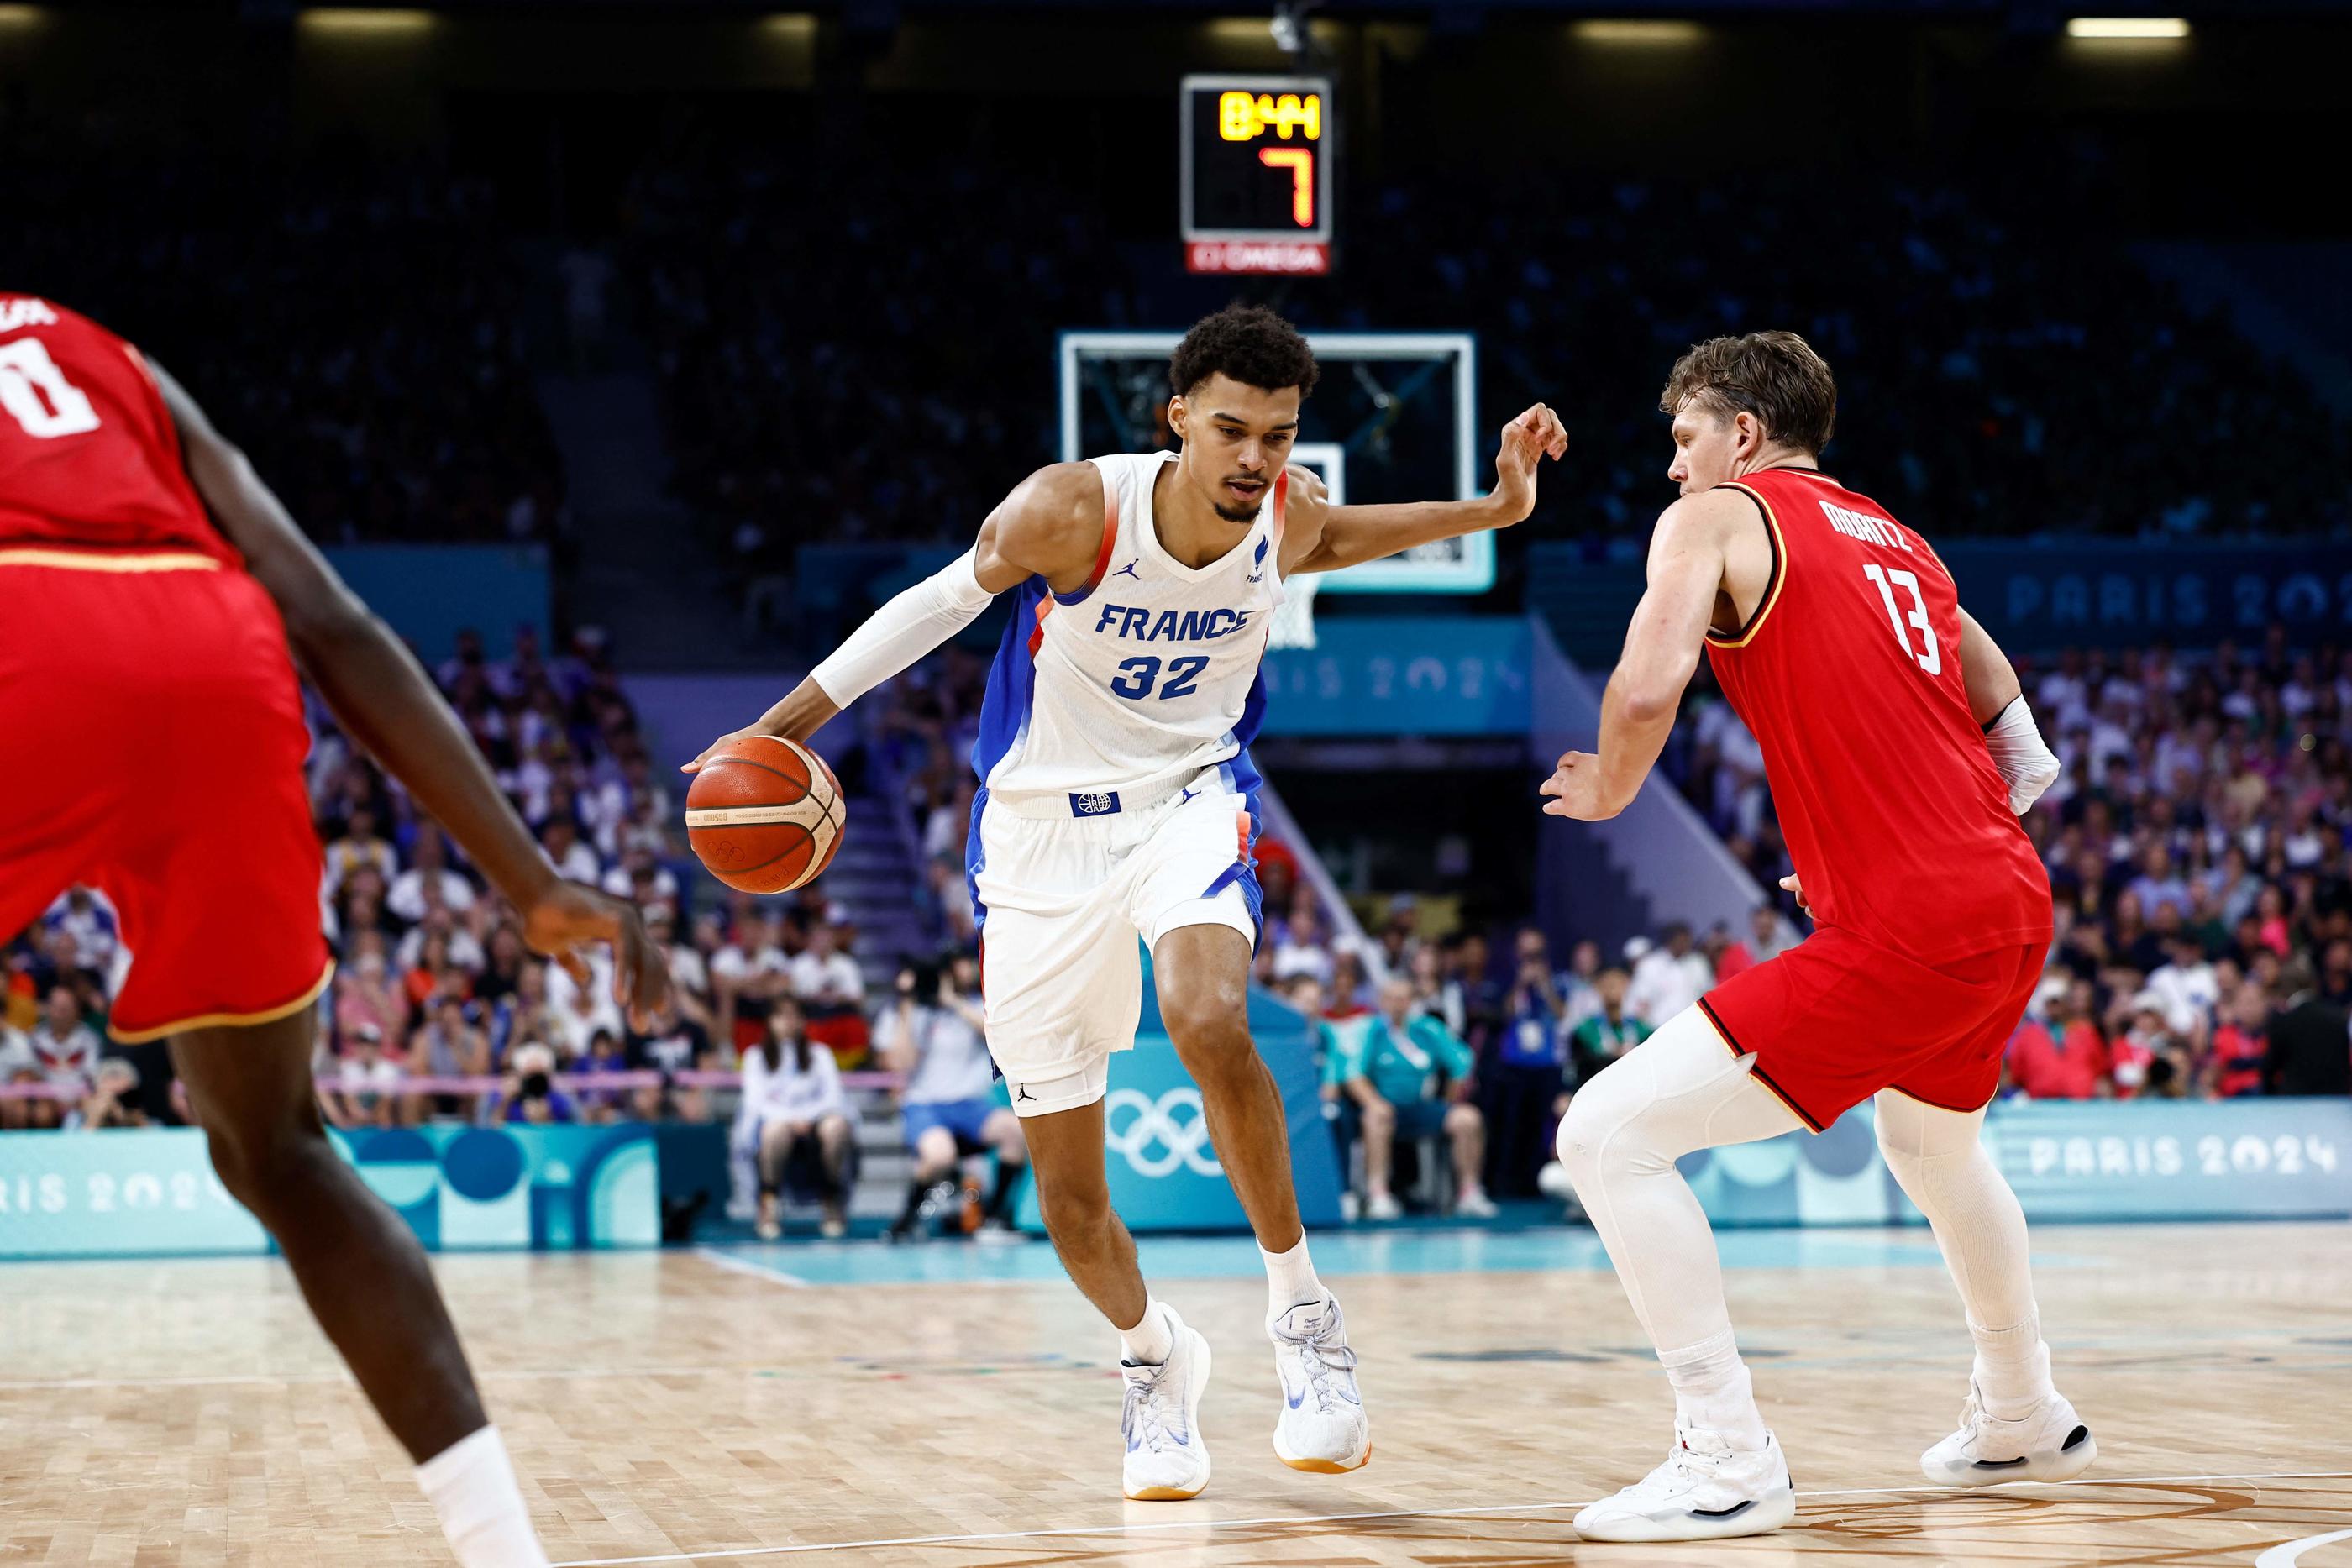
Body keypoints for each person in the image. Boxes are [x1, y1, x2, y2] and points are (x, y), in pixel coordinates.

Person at [688, 302, 1564, 1499]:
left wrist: (1498, 506)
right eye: (1232, 430)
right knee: (1070, 1193)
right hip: (1038, 844)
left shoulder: (1286, 515)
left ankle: (1304, 1318)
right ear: (1176, 422)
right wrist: (779, 727)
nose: (1257, 457)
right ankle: (1155, 1356)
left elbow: (1362, 530)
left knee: (1208, 1016)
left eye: (1278, 431)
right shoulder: (1072, 508)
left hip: (1187, 799)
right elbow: (935, 606)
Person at [0, 292, 666, 1567]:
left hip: (20, 627)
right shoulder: (100, 352)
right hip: (205, 638)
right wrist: (526, 878)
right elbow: (330, 615)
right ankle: (504, 1551)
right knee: (280, 1147)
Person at [1540, 331, 2084, 1542]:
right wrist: (1912, 837)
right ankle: (2021, 1402)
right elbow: (2024, 742)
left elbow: (1642, 687)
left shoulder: (1721, 516)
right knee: (1933, 1144)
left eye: (1683, 440)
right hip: (2006, 894)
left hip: (1915, 918)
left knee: (1605, 1133)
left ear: (1741, 432)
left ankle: (1725, 1453)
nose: (1674, 471)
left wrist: (1615, 786)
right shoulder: (1901, 538)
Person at [879, 955, 1028, 1240]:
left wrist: (951, 1001)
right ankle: (908, 1219)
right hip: (925, 1106)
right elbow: (901, 1063)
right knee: (939, 1154)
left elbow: (993, 1036)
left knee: (1015, 1131)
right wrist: (909, 1006)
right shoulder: (904, 1015)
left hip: (969, 1105)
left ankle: (996, 1218)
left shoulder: (971, 1006)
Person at [1333, 978, 1496, 1220]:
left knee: (1468, 1119)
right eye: (1391, 999)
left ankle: (1469, 1193)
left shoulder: (1427, 1029)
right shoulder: (1369, 1029)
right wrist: (1375, 1103)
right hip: (1382, 1107)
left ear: (1411, 1002)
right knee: (1376, 1118)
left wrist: (1449, 1099)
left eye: (1403, 998)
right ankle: (1378, 1195)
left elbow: (1462, 1063)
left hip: (1419, 1106)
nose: (1397, 1004)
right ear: (1382, 1002)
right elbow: (1353, 1076)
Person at [740, 999, 854, 1240]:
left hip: (814, 1123)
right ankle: (768, 1203)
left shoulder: (820, 1054)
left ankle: (831, 1198)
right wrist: (791, 1120)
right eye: (781, 1016)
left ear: (803, 1021)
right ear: (770, 1022)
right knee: (774, 1131)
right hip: (777, 1124)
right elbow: (756, 1103)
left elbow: (833, 1097)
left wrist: (807, 1118)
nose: (788, 1023)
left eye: (794, 1016)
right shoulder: (756, 1057)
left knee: (837, 1126)